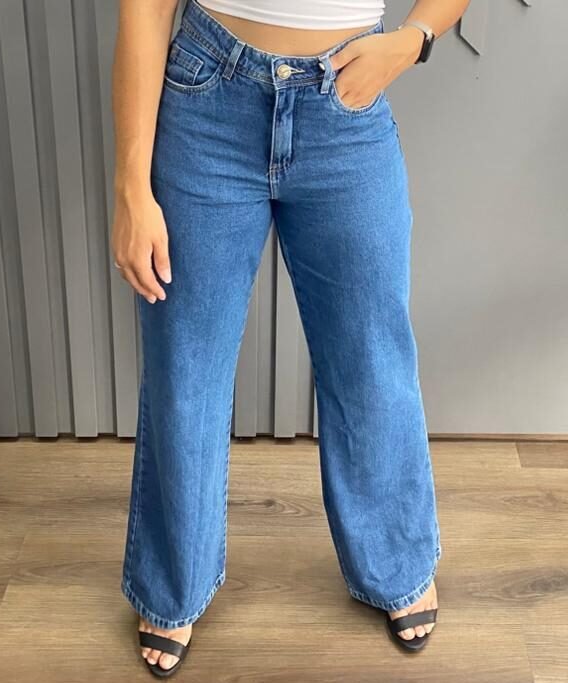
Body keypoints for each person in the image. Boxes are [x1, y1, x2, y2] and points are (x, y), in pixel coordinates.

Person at [112, 0, 469, 675]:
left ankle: (395, 560)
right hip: (207, 98)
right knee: (185, 365)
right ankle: (173, 581)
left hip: (346, 104)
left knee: (371, 359)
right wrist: (131, 187)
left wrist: (414, 39)